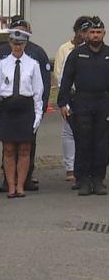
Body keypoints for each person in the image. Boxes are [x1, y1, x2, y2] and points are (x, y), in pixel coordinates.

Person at [0, 16, 50, 193]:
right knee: (8, 149)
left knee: (24, 148)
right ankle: (10, 185)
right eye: (14, 43)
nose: (17, 47)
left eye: (20, 44)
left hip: (26, 108)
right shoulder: (2, 64)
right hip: (7, 108)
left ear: (25, 44)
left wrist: (38, 116)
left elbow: (38, 92)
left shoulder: (33, 64)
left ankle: (22, 185)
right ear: (10, 43)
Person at [58, 16, 109, 195]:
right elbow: (66, 79)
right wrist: (62, 102)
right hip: (82, 102)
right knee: (84, 142)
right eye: (92, 32)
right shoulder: (77, 54)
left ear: (104, 33)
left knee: (101, 143)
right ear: (87, 34)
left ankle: (98, 179)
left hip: (104, 103)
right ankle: (83, 180)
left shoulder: (108, 53)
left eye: (98, 32)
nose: (95, 35)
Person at [54, 16, 91, 184]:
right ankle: (70, 166)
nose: (85, 35)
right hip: (72, 96)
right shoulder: (66, 49)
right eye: (83, 31)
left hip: (89, 97)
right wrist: (65, 99)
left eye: (88, 32)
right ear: (76, 32)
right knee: (69, 132)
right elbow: (60, 75)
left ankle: (87, 168)